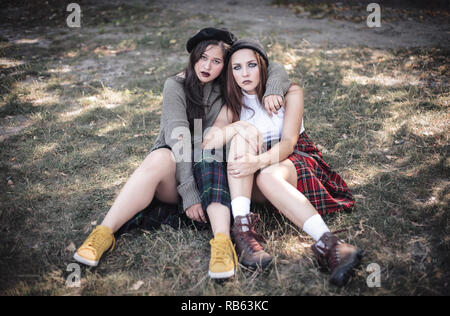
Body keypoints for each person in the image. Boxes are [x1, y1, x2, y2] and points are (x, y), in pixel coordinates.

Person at [73, 28, 290, 271]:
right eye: (202, 57)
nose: (207, 66)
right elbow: (180, 140)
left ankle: (222, 244)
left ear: (226, 65)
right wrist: (188, 192)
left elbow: (275, 66)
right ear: (193, 57)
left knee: (210, 157)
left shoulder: (231, 83)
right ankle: (103, 233)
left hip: (216, 171)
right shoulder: (175, 85)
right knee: (160, 156)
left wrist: (273, 89)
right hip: (179, 173)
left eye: (216, 61)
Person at [202, 39, 363, 287]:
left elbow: (288, 143)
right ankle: (243, 233)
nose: (244, 73)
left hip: (291, 160)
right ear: (230, 73)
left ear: (263, 66)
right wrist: (239, 126)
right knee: (244, 135)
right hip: (253, 174)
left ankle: (332, 246)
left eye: (251, 65)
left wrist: (258, 161)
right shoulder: (233, 104)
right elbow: (208, 141)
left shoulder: (290, 93)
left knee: (267, 175)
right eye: (237, 68)